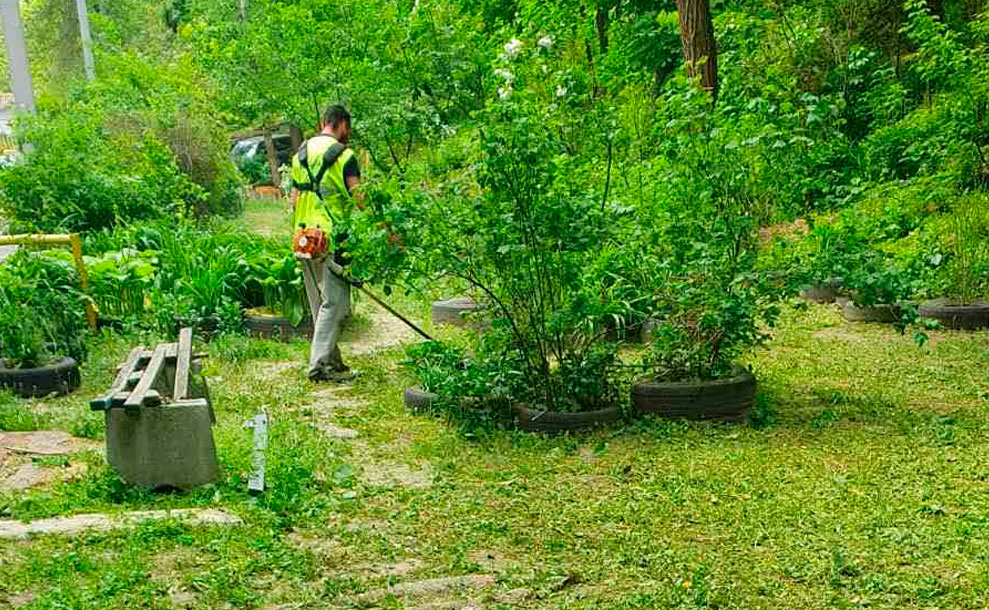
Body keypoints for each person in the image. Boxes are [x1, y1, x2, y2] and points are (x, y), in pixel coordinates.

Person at [289, 105, 362, 383]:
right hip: (330, 238)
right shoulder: (345, 156)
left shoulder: (301, 154)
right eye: (348, 129)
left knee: (320, 304)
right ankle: (318, 366)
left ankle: (334, 362)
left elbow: (294, 200)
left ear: (323, 122)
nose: (348, 134)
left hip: (303, 237)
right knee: (337, 305)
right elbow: (360, 198)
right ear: (342, 124)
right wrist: (385, 231)